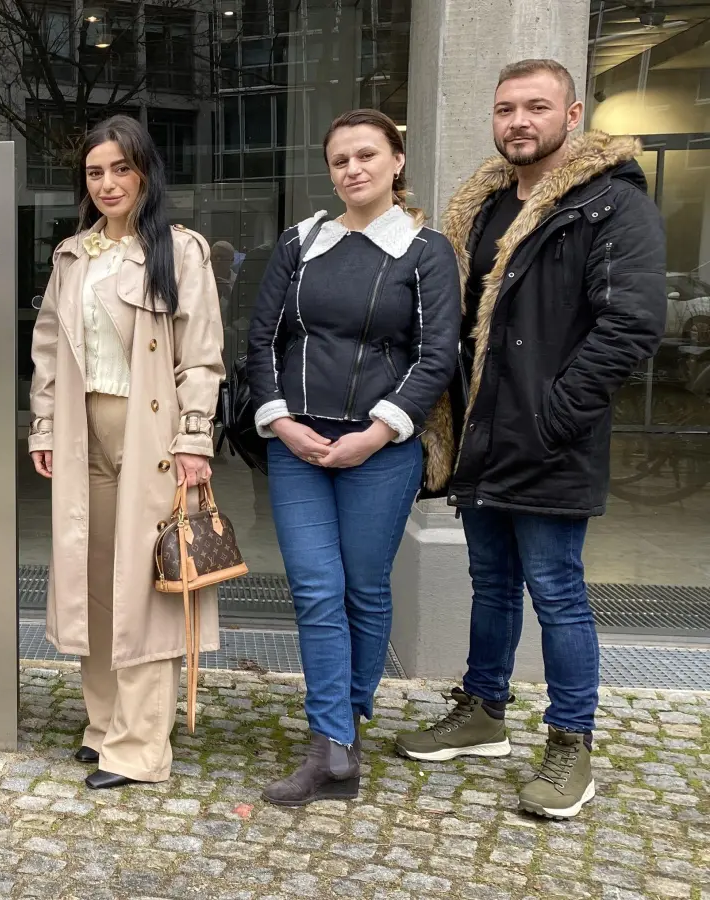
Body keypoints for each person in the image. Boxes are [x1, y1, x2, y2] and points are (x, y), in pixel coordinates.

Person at [397, 59, 666, 820]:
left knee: (558, 592)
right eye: (506, 107)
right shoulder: (480, 210)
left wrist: (556, 413)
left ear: (571, 115)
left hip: (551, 437)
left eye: (536, 107)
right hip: (483, 433)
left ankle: (570, 745)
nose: (519, 121)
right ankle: (483, 711)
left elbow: (633, 324)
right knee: (491, 583)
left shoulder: (610, 206)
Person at [245, 109, 462, 807]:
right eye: (340, 160)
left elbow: (437, 358)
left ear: (397, 161)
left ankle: (346, 728)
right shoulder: (302, 241)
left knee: (364, 590)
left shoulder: (426, 251)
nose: (353, 170)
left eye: (367, 155)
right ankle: (331, 745)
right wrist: (280, 421)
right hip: (298, 446)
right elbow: (260, 341)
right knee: (315, 588)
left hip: (382, 448)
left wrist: (379, 430)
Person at [28, 114, 225, 790]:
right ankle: (104, 724)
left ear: (145, 171)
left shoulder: (179, 250)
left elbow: (202, 355)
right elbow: (49, 349)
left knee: (145, 593)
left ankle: (141, 748)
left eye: (121, 168)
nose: (108, 183)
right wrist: (46, 426)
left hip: (152, 437)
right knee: (93, 581)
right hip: (86, 434)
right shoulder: (73, 255)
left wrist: (194, 437)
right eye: (95, 171)